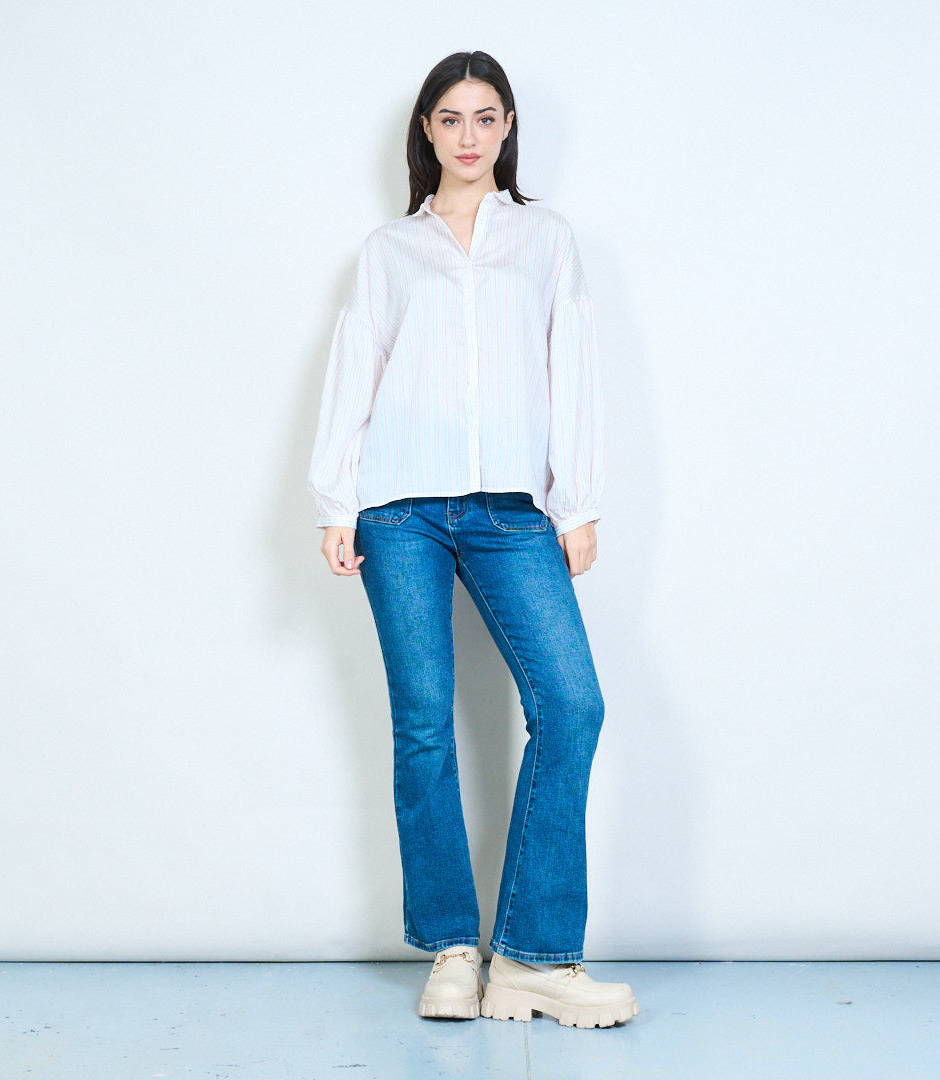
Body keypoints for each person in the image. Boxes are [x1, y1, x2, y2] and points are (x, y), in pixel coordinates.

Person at [306, 51, 638, 1029]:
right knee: (423, 723)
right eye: (449, 118)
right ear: (426, 130)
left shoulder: (545, 239)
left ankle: (532, 956)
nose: (467, 136)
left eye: (485, 117)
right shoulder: (389, 250)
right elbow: (357, 365)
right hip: (397, 510)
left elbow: (572, 363)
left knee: (571, 707)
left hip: (509, 513)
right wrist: (336, 501)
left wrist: (577, 503)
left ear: (507, 128)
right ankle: (454, 949)